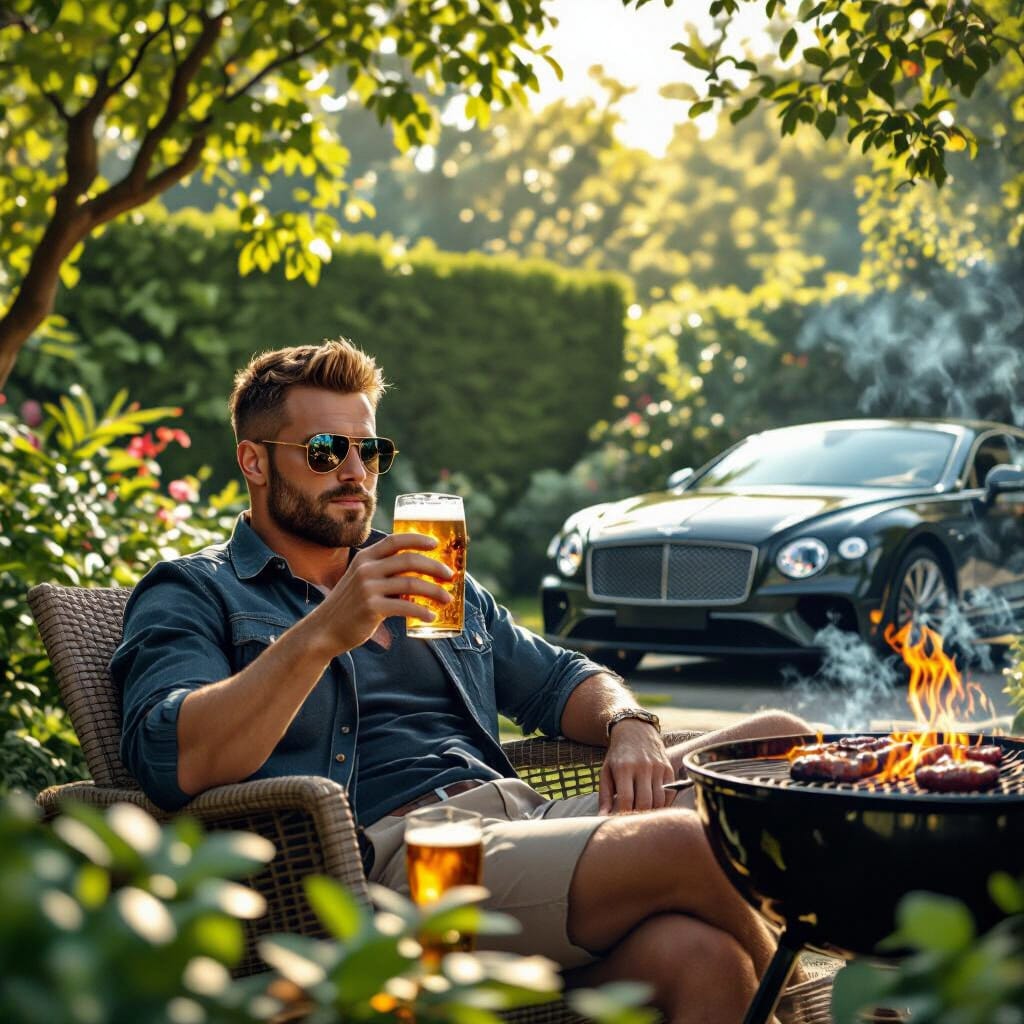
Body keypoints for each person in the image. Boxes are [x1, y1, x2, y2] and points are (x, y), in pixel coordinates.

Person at [112, 338, 819, 1024]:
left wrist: (628, 724)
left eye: (370, 450)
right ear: (254, 463)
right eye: (325, 452)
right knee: (697, 841)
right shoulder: (195, 592)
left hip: (520, 822)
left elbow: (564, 678)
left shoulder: (425, 576)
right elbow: (175, 758)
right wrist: (326, 631)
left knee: (774, 765)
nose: (355, 471)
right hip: (398, 872)